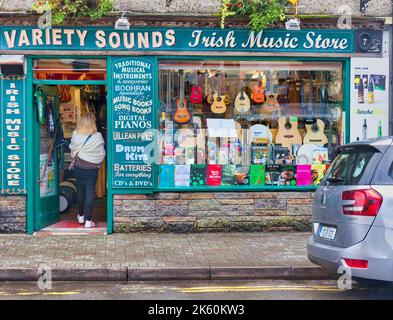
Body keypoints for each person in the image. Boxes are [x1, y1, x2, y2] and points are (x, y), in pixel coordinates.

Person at [69, 112, 106, 229]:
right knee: (89, 193)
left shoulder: (75, 134)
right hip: (91, 168)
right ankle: (88, 221)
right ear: (93, 122)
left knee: (80, 192)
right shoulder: (98, 136)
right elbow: (101, 153)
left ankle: (80, 216)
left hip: (79, 167)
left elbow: (73, 149)